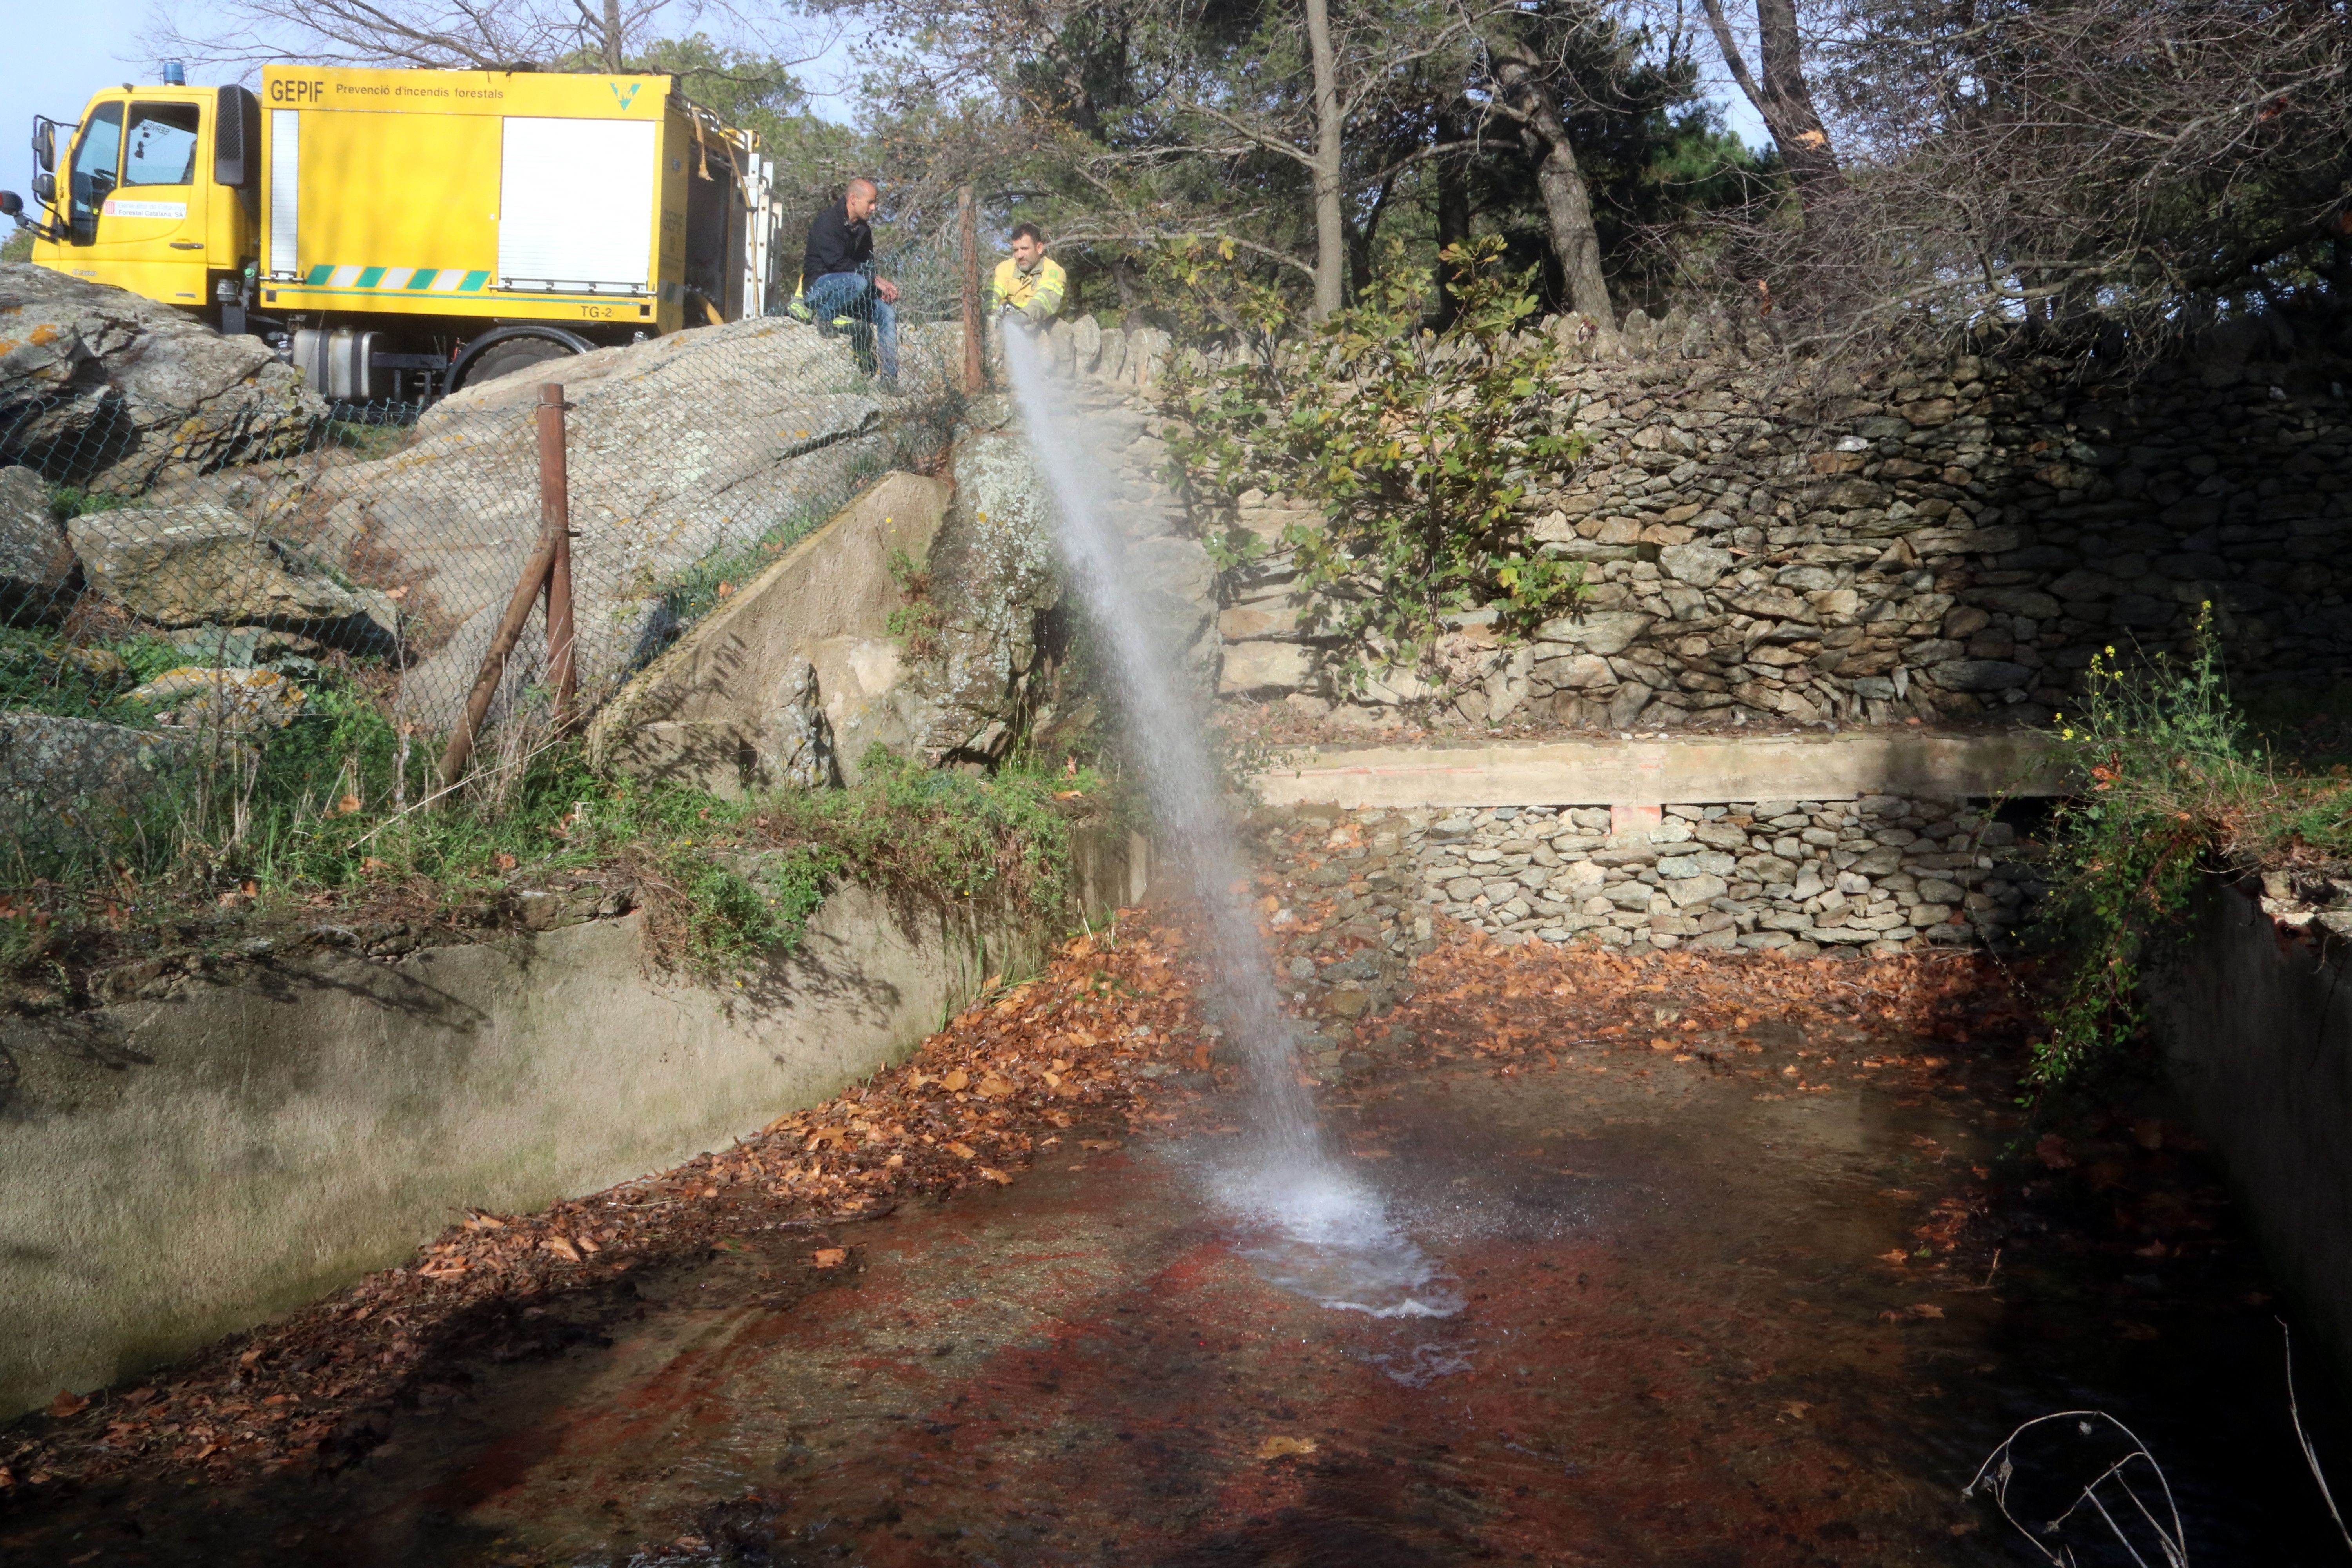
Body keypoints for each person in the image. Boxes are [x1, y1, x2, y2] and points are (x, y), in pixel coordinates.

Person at [800, 177, 900, 388]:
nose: (874, 208)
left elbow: (867, 266)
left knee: (887, 313)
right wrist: (872, 281)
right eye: (870, 202)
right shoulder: (827, 222)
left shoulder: (864, 231)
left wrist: (882, 286)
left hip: (852, 288)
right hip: (821, 287)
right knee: (858, 283)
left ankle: (889, 379)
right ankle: (824, 317)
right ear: (854, 199)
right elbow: (837, 264)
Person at [990, 223, 1066, 331]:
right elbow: (992, 295)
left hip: (1047, 332)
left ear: (1039, 248)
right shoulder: (1004, 268)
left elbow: (1044, 300)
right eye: (1016, 250)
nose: (1020, 255)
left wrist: (1021, 318)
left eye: (1025, 249)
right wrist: (990, 315)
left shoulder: (1054, 272)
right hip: (1010, 328)